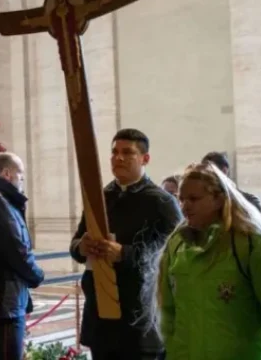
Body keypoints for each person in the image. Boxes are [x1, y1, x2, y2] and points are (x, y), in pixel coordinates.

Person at [154, 162, 261, 359]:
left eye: (193, 199)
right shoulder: (177, 245)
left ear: (218, 199)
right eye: (181, 199)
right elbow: (168, 313)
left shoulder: (253, 245)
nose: (184, 206)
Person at [70, 128, 182, 360]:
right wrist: (81, 247)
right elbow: (76, 242)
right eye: (114, 152)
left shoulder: (163, 202)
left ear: (145, 159)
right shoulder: (99, 197)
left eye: (127, 152)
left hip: (140, 316)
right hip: (100, 314)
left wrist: (125, 253)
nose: (118, 158)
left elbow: (174, 254)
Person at [0, 152, 44, 360]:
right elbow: (17, 250)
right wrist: (37, 275)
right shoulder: (0, 203)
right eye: (20, 176)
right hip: (7, 303)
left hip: (9, 298)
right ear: (7, 174)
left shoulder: (0, 200)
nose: (22, 182)